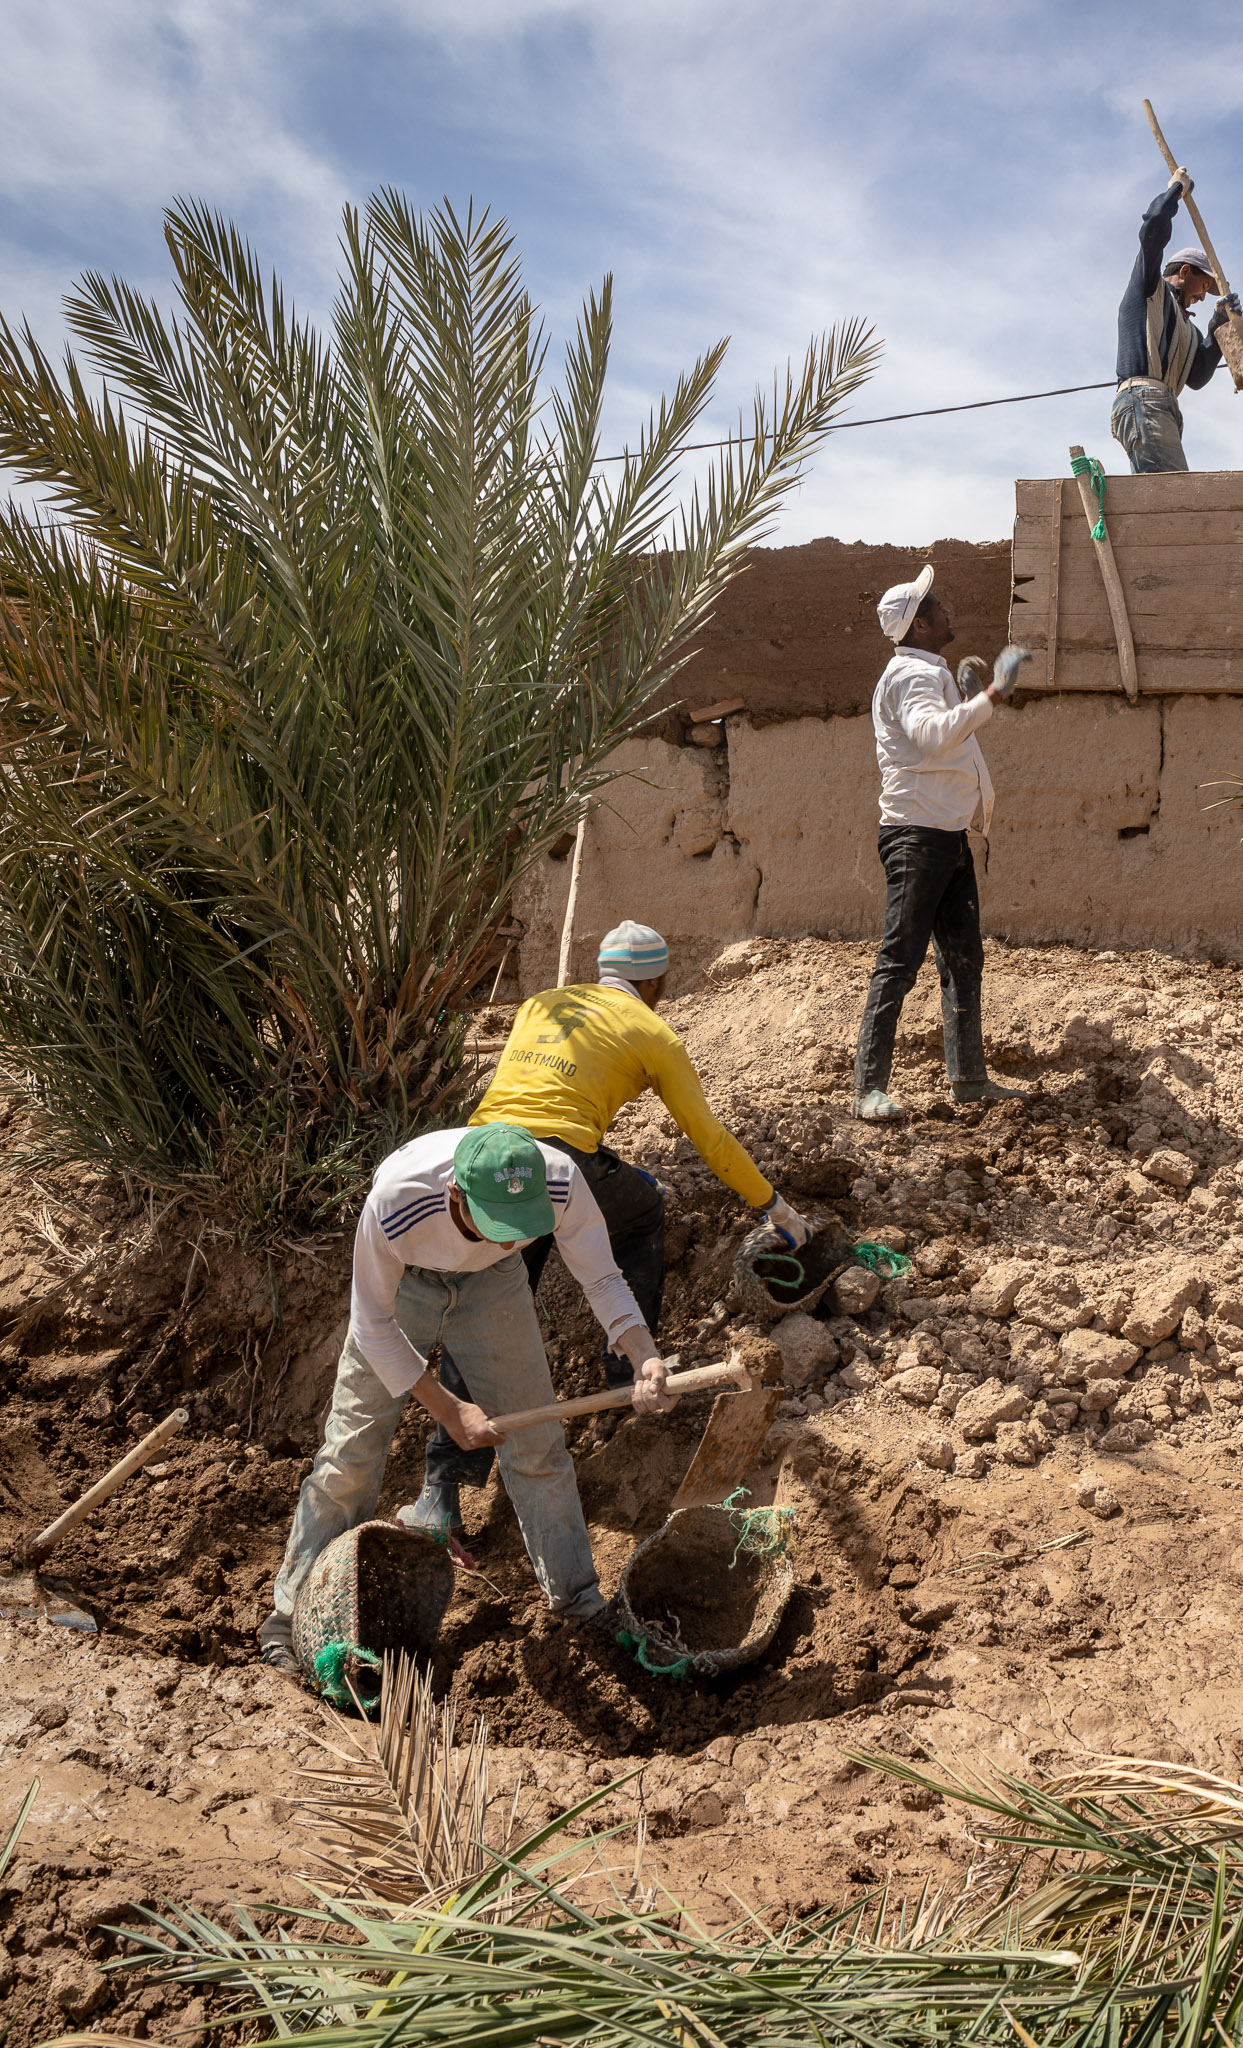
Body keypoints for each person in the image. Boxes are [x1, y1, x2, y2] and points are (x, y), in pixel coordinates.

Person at [403, 920, 807, 1539]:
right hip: (557, 1163)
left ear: (601, 971)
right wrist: (774, 1205)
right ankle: (629, 1369)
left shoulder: (540, 1004)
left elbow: (529, 1099)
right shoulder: (651, 1030)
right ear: (657, 982)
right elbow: (711, 1140)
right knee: (642, 1208)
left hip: (479, 1159)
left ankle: (442, 1493)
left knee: (494, 1294)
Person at [260, 1121, 672, 1676]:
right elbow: (373, 1323)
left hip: (494, 1283)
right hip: (407, 1285)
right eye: (498, 1223)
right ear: (456, 1194)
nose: (512, 1237)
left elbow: (602, 1279)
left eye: (519, 1226)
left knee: (538, 1448)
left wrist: (643, 1353)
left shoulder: (558, 1181)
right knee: (351, 1454)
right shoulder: (398, 1200)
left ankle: (579, 1604)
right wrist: (449, 1409)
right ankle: (287, 1617)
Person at [852, 565, 1027, 1122]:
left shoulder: (928, 673)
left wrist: (972, 703)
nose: (948, 611)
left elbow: (946, 738)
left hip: (945, 834)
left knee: (963, 959)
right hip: (917, 836)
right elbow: (931, 737)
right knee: (899, 961)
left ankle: (970, 1080)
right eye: (939, 607)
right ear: (920, 625)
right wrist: (994, 694)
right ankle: (867, 1089)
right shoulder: (911, 677)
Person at [1112, 167, 1240, 474]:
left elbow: (1197, 377)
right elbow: (1153, 228)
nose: (1205, 296)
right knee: (1173, 491)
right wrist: (1174, 192)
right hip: (1143, 397)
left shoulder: (1188, 329)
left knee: (1161, 497)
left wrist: (1219, 327)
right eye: (1205, 286)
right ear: (1184, 272)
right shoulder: (1150, 289)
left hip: (1164, 405)